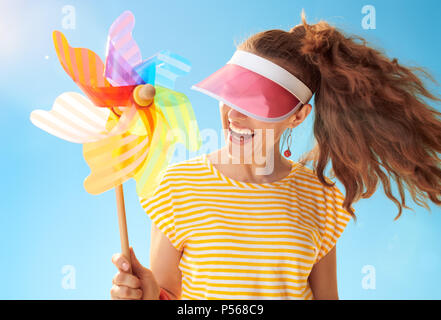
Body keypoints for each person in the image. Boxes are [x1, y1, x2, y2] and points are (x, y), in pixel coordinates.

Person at [110, 11, 441, 300]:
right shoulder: (177, 187)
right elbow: (168, 294)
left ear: (298, 116)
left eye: (256, 103)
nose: (234, 116)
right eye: (230, 95)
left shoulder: (320, 196)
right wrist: (147, 294)